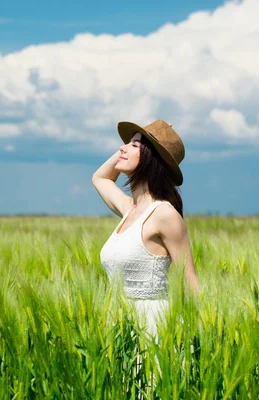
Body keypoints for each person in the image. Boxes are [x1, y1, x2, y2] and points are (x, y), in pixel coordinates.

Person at [93, 119, 200, 337]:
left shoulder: (164, 214)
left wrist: (203, 339)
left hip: (155, 329)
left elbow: (190, 282)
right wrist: (143, 138)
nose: (122, 148)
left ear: (152, 159)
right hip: (120, 327)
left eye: (134, 145)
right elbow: (100, 178)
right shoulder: (129, 210)